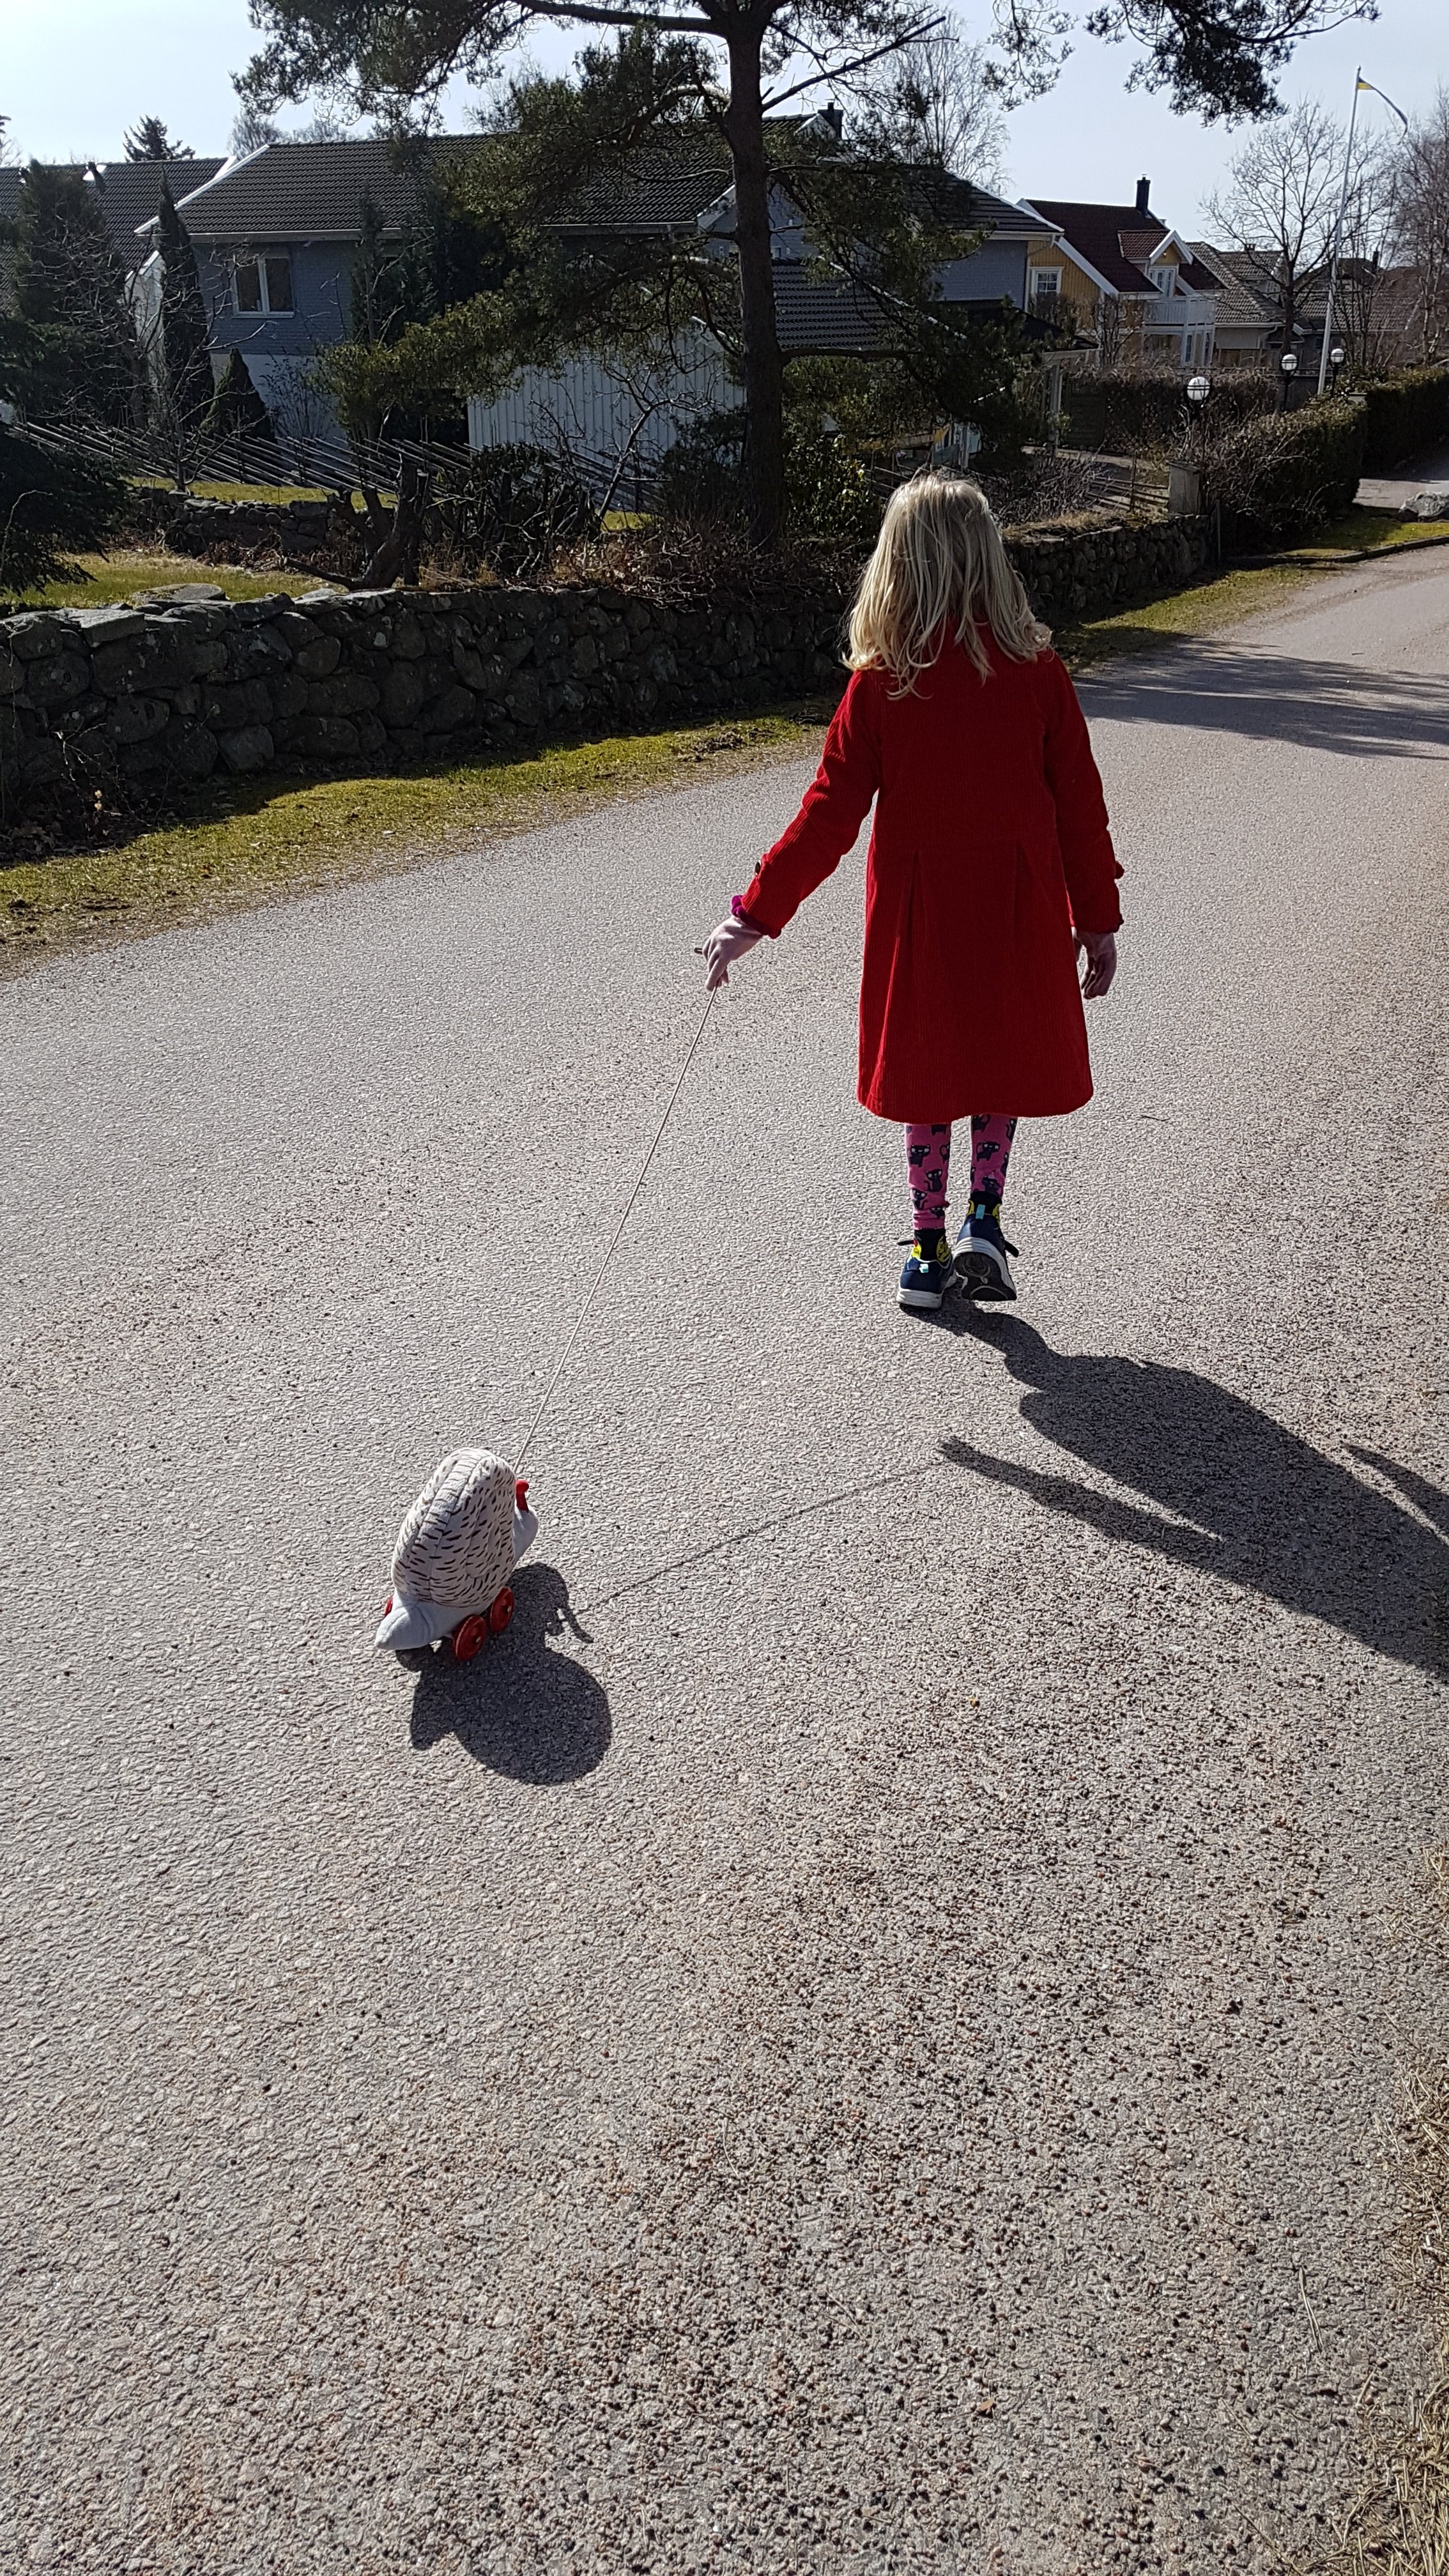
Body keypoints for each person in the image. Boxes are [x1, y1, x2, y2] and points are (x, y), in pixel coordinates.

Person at [699, 470, 1122, 1312]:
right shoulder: (1039, 674)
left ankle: (928, 1252)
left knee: (930, 1075)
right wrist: (1096, 919)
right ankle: (983, 1223)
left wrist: (755, 914)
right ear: (991, 560)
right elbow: (1081, 806)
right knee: (997, 1066)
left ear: (895, 566)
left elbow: (828, 814)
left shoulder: (883, 685)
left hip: (920, 919)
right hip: (1019, 910)